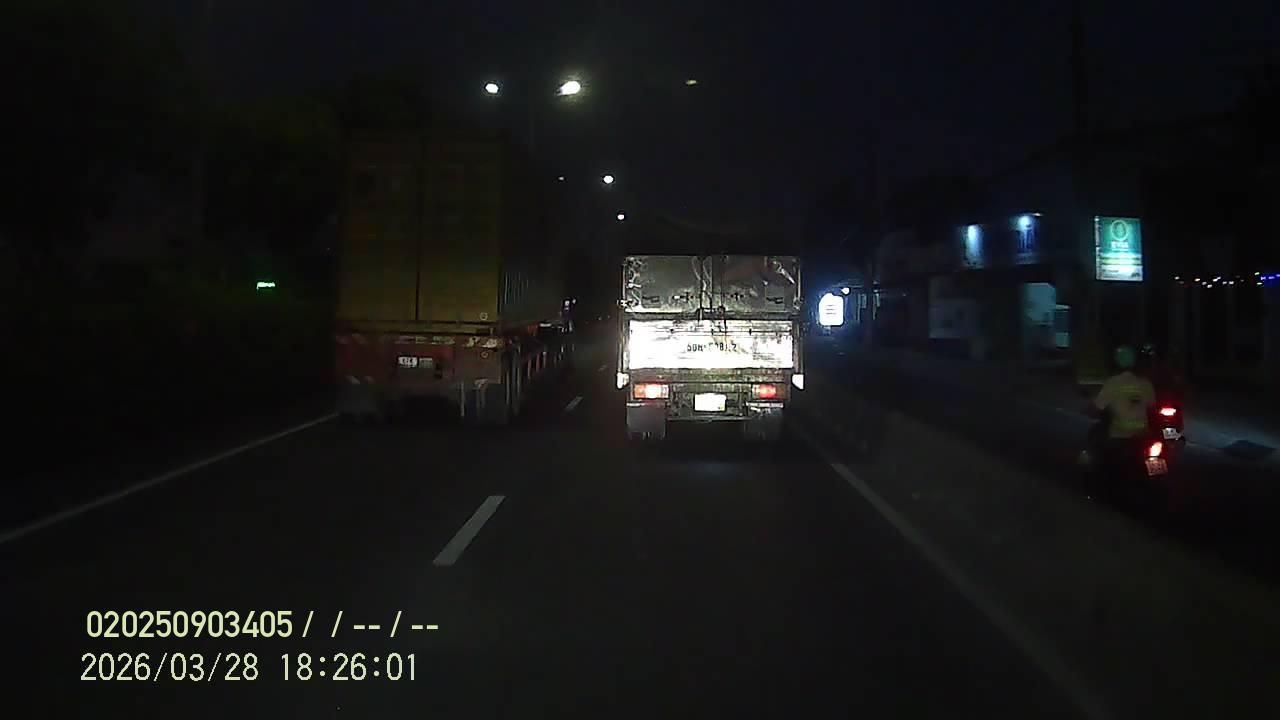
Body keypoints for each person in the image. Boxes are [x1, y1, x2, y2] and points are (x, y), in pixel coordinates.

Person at [1084, 345, 1157, 465]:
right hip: (1142, 435)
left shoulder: (1113, 383)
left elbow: (1097, 407)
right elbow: (1152, 407)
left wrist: (1087, 410)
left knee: (1100, 456)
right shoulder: (1145, 383)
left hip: (1119, 436)